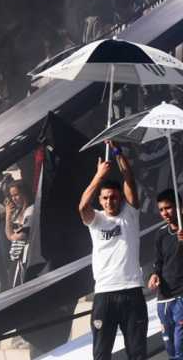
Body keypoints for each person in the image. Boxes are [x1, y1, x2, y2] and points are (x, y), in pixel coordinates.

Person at [78, 142, 145, 360]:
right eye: (105, 197)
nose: (109, 201)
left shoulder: (130, 214)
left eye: (114, 197)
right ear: (100, 200)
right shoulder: (96, 219)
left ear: (121, 198)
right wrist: (99, 176)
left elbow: (130, 180)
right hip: (104, 294)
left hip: (132, 291)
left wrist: (117, 152)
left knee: (137, 353)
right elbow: (82, 207)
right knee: (101, 354)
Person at [150, 189, 183, 360]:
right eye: (161, 209)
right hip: (163, 298)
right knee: (170, 347)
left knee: (180, 347)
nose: (165, 213)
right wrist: (154, 275)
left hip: (181, 298)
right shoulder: (161, 234)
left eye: (168, 208)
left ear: (180, 207)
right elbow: (158, 261)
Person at [4, 180, 34, 287]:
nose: (14, 199)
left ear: (24, 193)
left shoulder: (31, 210)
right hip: (16, 258)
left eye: (16, 195)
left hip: (27, 258)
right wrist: (8, 216)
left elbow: (20, 236)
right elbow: (9, 236)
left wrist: (12, 235)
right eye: (12, 196)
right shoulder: (17, 212)